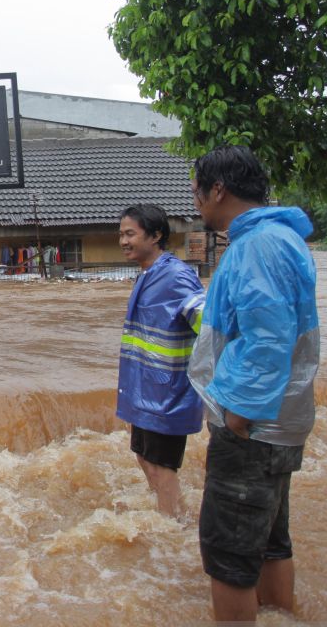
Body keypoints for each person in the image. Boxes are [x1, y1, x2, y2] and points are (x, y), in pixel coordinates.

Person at [187, 145, 319, 623]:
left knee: (228, 561)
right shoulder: (280, 238)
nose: (196, 203)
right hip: (280, 421)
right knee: (268, 543)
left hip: (253, 426)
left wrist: (238, 414)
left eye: (198, 191)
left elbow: (267, 338)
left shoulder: (257, 246)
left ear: (218, 189)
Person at [116, 203, 206, 518]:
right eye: (121, 234)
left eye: (130, 234)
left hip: (168, 393)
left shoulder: (177, 277)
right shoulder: (148, 274)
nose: (123, 241)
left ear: (155, 236)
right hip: (144, 389)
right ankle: (168, 513)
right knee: (144, 457)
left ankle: (173, 528)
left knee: (161, 466)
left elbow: (209, 327)